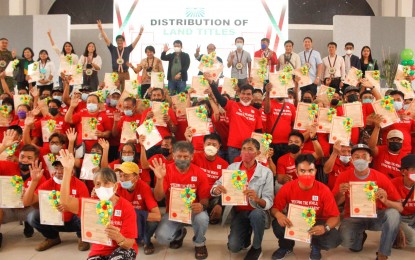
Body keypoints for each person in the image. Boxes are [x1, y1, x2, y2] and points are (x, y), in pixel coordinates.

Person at [59, 149, 138, 259]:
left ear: (115, 186)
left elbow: (129, 243)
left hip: (123, 249)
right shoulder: (90, 205)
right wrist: (67, 170)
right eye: (98, 184)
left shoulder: (126, 207)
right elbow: (65, 201)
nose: (102, 187)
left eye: (106, 183)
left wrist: (119, 237)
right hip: (99, 251)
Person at [333, 144, 403, 260]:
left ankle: (383, 253)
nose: (360, 159)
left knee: (393, 214)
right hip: (353, 217)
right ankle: (359, 238)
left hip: (376, 216)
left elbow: (399, 207)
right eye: (356, 156)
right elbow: (333, 204)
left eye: (364, 156)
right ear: (352, 159)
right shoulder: (343, 177)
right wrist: (340, 194)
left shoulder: (381, 178)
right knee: (346, 242)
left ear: (370, 159)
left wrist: (385, 201)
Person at [211, 138, 274, 260]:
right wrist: (216, 189)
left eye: (250, 149)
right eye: (243, 149)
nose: (246, 152)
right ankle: (246, 234)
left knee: (256, 215)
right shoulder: (232, 168)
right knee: (234, 247)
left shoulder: (266, 172)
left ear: (258, 153)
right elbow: (217, 184)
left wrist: (257, 199)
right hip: (239, 212)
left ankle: (257, 247)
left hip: (257, 211)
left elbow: (269, 200)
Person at [271, 154, 341, 260]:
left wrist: (325, 228)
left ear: (315, 171)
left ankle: (316, 246)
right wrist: (279, 214)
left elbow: (336, 217)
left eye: (310, 170)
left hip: (317, 223)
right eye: (302, 171)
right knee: (277, 224)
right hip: (294, 221)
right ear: (296, 172)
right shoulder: (287, 187)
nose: (307, 174)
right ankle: (286, 246)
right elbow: (275, 208)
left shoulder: (324, 190)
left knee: (334, 238)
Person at [151, 141, 210, 259]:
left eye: (186, 156)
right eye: (179, 156)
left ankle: (199, 243)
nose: (182, 159)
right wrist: (159, 179)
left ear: (192, 157)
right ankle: (179, 234)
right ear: (173, 156)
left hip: (193, 211)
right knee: (162, 238)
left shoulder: (199, 173)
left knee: (202, 218)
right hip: (173, 213)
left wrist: (202, 207)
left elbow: (205, 200)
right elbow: (158, 197)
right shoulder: (165, 170)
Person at [25, 159, 90, 251]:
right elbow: (27, 202)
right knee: (32, 217)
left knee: (84, 216)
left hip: (73, 220)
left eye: (62, 168)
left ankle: (82, 238)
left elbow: (86, 209)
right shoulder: (48, 183)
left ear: (72, 171)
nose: (59, 172)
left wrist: (69, 207)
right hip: (54, 220)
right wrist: (34, 181)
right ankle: (52, 237)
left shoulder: (80, 185)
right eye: (56, 168)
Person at [0, 133, 47, 246]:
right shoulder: (9, 166)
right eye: (22, 157)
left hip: (28, 210)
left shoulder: (40, 177)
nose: (25, 160)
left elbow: (26, 202)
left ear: (36, 160)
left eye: (29, 158)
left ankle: (49, 235)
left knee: (36, 214)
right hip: (8, 208)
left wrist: (34, 181)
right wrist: (3, 147)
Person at [209, 81, 263, 164]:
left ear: (252, 96)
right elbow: (220, 98)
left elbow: (259, 132)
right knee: (235, 173)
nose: (245, 96)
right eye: (243, 93)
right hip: (234, 148)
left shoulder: (256, 112)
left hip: (250, 148)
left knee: (248, 173)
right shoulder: (233, 105)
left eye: (248, 94)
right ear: (239, 94)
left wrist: (260, 149)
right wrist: (212, 83)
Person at [115, 162, 161, 255]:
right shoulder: (118, 188)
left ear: (136, 178)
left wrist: (134, 213)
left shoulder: (144, 187)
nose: (123, 179)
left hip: (142, 221)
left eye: (127, 176)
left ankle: (146, 241)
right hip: (126, 221)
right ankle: (125, 241)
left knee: (152, 222)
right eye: (121, 176)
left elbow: (157, 216)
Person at [192, 133, 229, 224]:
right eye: (208, 144)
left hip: (213, 197)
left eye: (214, 145)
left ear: (219, 146)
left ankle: (214, 211)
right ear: (203, 145)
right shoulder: (194, 158)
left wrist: (220, 205)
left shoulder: (224, 164)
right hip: (195, 195)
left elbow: (226, 186)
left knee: (220, 201)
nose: (211, 147)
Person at [97, 19, 144, 88]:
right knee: (114, 90)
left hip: (125, 73)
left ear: (123, 41)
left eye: (121, 40)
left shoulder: (127, 49)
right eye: (118, 40)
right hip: (115, 73)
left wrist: (140, 33)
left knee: (126, 91)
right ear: (116, 42)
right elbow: (106, 39)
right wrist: (101, 29)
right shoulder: (113, 49)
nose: (119, 42)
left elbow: (135, 42)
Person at [264, 82, 297, 163]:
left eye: (283, 90)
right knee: (272, 167)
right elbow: (266, 110)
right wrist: (268, 92)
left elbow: (294, 124)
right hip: (272, 143)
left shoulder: (291, 106)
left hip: (286, 143)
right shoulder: (270, 102)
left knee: (284, 167)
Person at [391, 154, 415, 248]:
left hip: (413, 217)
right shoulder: (393, 184)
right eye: (414, 169)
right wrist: (398, 227)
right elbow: (386, 210)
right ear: (404, 171)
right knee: (413, 239)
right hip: (400, 218)